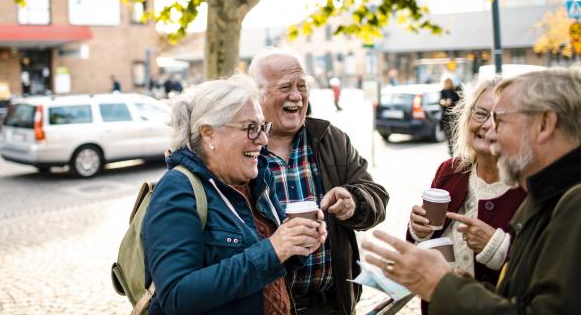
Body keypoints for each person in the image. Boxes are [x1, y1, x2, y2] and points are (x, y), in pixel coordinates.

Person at [362, 67, 581, 315]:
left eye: (500, 120)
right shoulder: (547, 192)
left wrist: (440, 284)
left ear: (545, 124)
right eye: (483, 115)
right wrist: (454, 282)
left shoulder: (572, 200)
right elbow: (521, 297)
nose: (491, 132)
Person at [142, 74, 328, 315]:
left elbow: (267, 263)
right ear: (209, 133)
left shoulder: (256, 180)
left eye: (263, 127)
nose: (263, 139)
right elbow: (177, 296)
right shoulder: (178, 189)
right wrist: (273, 250)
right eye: (251, 128)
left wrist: (297, 243)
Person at [249, 48, 389, 315]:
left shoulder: (329, 138)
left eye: (302, 86)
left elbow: (376, 197)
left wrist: (354, 202)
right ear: (258, 94)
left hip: (331, 304)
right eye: (285, 87)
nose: (297, 95)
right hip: (268, 307)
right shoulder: (244, 148)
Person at [407, 77, 526, 313]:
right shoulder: (449, 171)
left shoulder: (528, 186)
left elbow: (541, 271)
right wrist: (418, 231)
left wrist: (497, 247)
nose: (487, 126)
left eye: (500, 118)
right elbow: (425, 243)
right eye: (481, 113)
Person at [439, 76, 460, 156]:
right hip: (445, 117)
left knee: (455, 135)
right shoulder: (442, 91)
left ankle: (456, 152)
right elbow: (440, 101)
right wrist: (443, 102)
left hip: (454, 116)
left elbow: (459, 101)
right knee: (448, 136)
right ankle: (451, 153)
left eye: (448, 82)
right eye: (446, 82)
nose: (447, 84)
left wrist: (452, 103)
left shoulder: (455, 91)